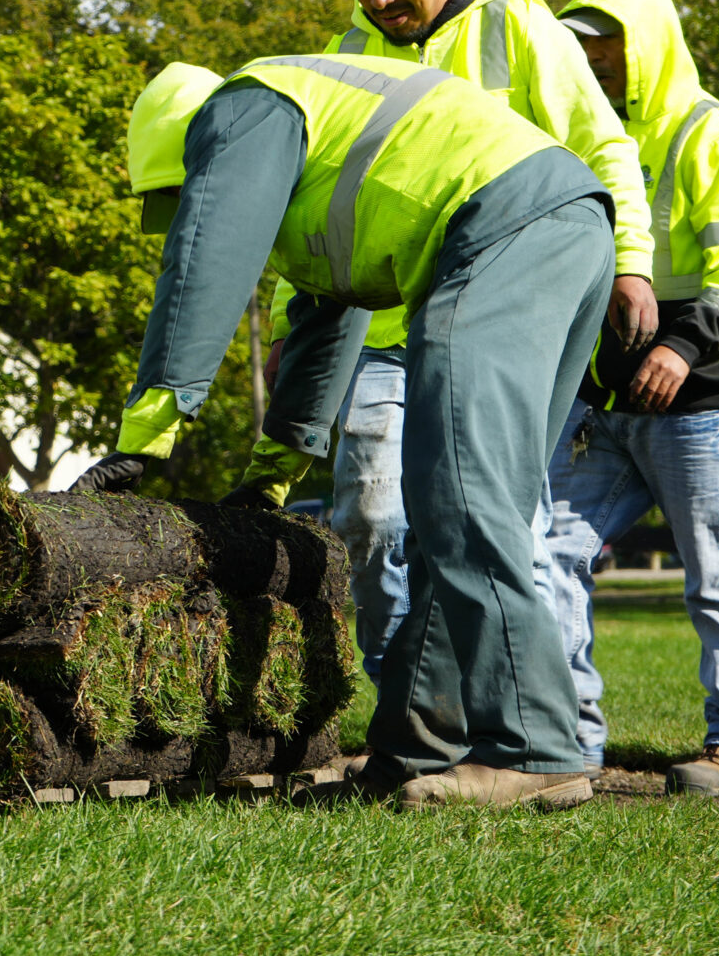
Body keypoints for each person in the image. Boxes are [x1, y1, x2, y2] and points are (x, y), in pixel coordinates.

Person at [75, 49, 613, 808]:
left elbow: (203, 261)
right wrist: (271, 475)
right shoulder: (318, 169)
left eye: (188, 190)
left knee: (463, 498)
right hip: (564, 225)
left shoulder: (246, 107)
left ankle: (535, 749)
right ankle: (412, 752)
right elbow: (328, 323)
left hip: (503, 226)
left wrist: (145, 433)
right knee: (455, 511)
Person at [265, 0, 656, 685]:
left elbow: (603, 148)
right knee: (371, 516)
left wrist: (631, 259)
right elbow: (310, 205)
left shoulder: (522, 31)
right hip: (382, 332)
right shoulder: (345, 55)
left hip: (500, 327)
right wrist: (285, 328)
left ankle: (532, 712)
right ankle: (406, 704)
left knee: (504, 526)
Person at [532, 0, 719, 797]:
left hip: (699, 399)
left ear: (647, 43)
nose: (593, 58)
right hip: (602, 403)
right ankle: (566, 743)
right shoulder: (589, 137)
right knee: (545, 555)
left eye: (606, 42)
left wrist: (678, 350)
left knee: (716, 572)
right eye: (582, 45)